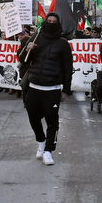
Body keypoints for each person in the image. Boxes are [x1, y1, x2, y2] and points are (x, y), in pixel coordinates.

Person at [18, 12, 72, 165]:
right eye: (49, 21)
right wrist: (28, 49)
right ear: (45, 22)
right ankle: (41, 140)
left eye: (55, 21)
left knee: (52, 121)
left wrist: (65, 90)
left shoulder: (63, 44)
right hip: (34, 85)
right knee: (33, 116)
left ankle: (48, 151)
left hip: (52, 88)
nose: (52, 23)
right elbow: (22, 60)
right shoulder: (35, 38)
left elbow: (68, 68)